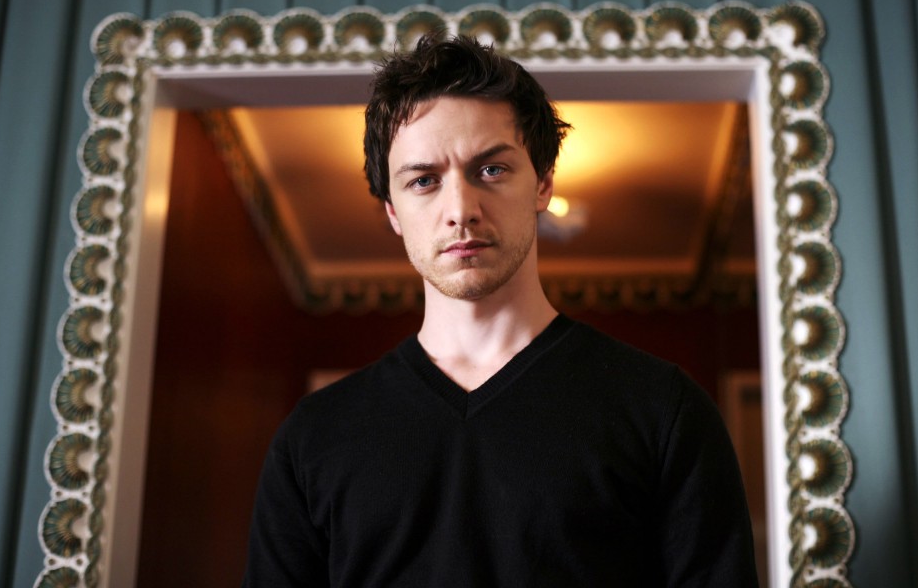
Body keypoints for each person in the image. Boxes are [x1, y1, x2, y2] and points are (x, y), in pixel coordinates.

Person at [243, 35, 759, 587]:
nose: (460, 210)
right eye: (424, 180)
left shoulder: (662, 410)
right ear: (393, 212)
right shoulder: (314, 437)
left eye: (490, 170)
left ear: (543, 183)